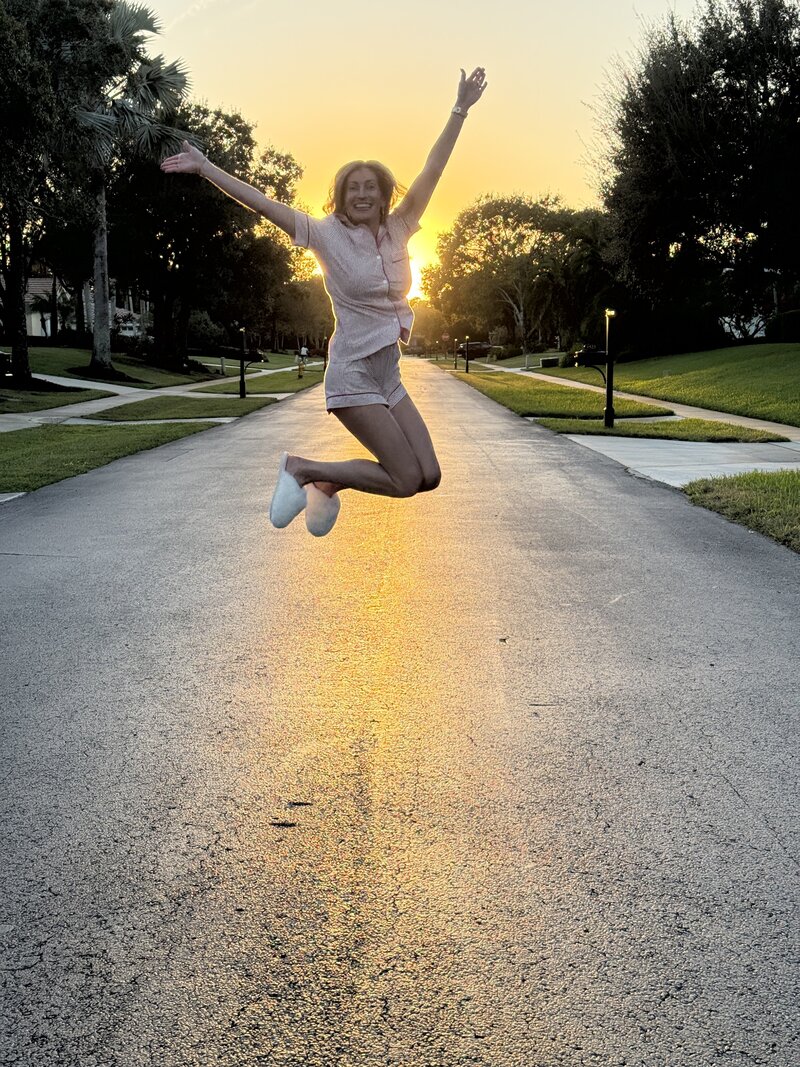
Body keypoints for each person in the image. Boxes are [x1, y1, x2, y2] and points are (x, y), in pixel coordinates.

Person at [161, 67, 488, 536]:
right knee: (404, 479)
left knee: (429, 476)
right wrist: (207, 168)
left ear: (381, 195)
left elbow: (432, 170)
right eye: (351, 188)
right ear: (340, 196)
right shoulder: (325, 235)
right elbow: (261, 204)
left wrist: (460, 109)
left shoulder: (400, 226)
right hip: (353, 371)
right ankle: (302, 467)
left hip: (387, 374)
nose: (360, 194)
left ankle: (327, 484)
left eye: (368, 187)